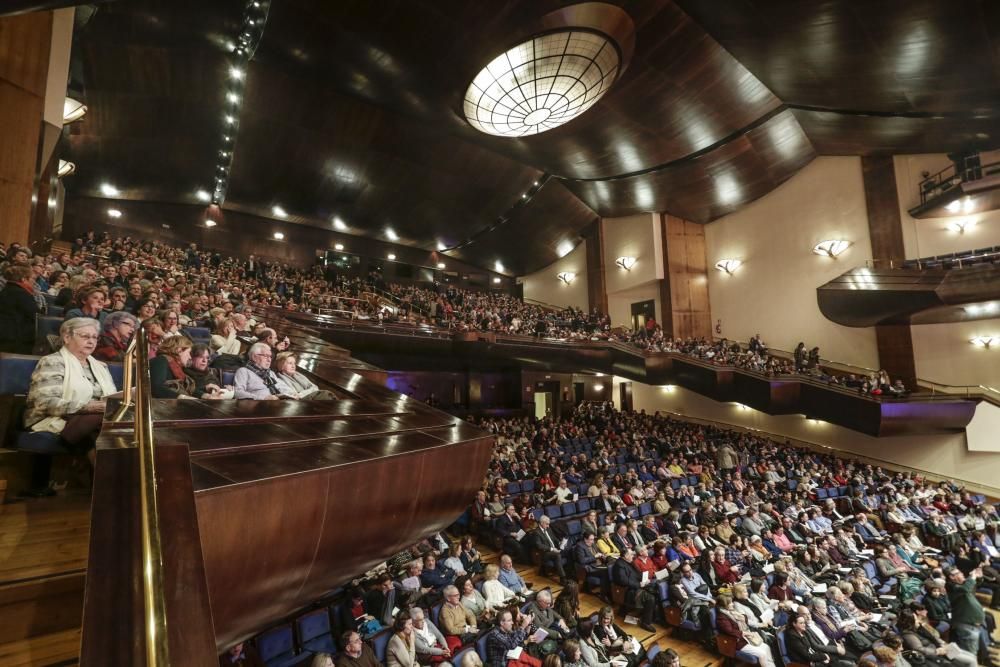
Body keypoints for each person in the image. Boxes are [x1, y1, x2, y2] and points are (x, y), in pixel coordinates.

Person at [23, 318, 119, 480]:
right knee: (100, 426)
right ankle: (110, 485)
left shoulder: (100, 366)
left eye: (94, 337)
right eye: (85, 336)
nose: (91, 341)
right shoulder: (52, 362)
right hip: (55, 417)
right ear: (67, 337)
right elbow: (45, 403)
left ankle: (113, 486)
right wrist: (90, 407)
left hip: (94, 418)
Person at [715, 594, 776, 667]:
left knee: (766, 647)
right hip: (737, 641)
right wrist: (745, 633)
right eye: (730, 603)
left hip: (745, 638)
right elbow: (730, 631)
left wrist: (742, 617)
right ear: (724, 605)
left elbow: (745, 620)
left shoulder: (732, 612)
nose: (732, 604)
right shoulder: (721, 618)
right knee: (762, 654)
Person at [610, 548, 657, 632]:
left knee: (656, 589)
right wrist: (638, 584)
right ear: (625, 556)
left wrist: (645, 579)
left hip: (637, 585)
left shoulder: (630, 562)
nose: (633, 556)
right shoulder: (619, 565)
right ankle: (646, 623)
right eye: (631, 554)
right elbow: (623, 581)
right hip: (627, 590)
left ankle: (651, 615)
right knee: (650, 598)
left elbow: (638, 574)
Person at [0, 264, 43, 353]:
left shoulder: (8, 289)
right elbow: (36, 315)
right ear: (24, 279)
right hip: (17, 340)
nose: (34, 283)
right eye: (32, 279)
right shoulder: (22, 294)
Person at [945, 566, 986, 656]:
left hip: (971, 624)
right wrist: (972, 577)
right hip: (965, 625)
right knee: (970, 654)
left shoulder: (960, 585)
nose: (962, 574)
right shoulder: (951, 587)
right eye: (959, 573)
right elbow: (966, 588)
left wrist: (978, 576)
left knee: (969, 652)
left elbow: (973, 584)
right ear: (952, 577)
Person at [783, 614, 852, 667]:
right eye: (801, 623)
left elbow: (813, 646)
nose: (804, 625)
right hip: (805, 662)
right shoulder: (792, 637)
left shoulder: (804, 632)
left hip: (814, 656)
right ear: (794, 624)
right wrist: (823, 656)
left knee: (843, 662)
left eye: (804, 622)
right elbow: (806, 656)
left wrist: (823, 655)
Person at [274, 351, 338, 399]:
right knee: (326, 394)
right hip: (300, 402)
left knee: (328, 396)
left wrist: (303, 393)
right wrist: (309, 392)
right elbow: (294, 395)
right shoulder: (279, 378)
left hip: (309, 398)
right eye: (290, 363)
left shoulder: (298, 375)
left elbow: (315, 387)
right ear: (281, 365)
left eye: (294, 363)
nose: (293, 366)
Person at [529, 515, 566, 583]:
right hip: (544, 553)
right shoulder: (536, 532)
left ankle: (569, 573)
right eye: (547, 524)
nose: (548, 526)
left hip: (553, 549)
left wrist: (560, 542)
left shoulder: (548, 529)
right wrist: (552, 549)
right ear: (542, 523)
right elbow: (539, 546)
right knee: (557, 555)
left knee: (567, 550)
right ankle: (563, 578)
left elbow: (554, 538)